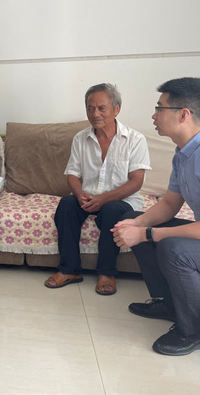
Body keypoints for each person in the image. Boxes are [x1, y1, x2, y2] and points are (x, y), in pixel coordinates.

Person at [112, 77, 200, 356]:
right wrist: (136, 223)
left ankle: (193, 331)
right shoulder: (183, 153)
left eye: (159, 108)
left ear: (183, 114)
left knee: (172, 248)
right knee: (135, 215)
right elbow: (169, 204)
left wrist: (146, 233)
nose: (153, 115)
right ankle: (169, 304)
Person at [44, 83, 150, 295]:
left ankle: (106, 273)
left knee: (112, 211)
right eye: (90, 108)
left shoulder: (135, 140)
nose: (95, 114)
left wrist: (105, 198)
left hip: (122, 200)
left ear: (116, 109)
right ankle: (70, 270)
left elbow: (136, 181)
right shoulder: (80, 138)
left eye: (101, 108)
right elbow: (72, 174)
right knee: (66, 204)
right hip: (89, 197)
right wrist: (79, 194)